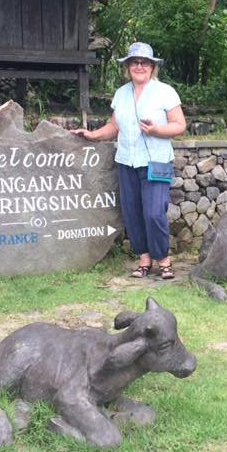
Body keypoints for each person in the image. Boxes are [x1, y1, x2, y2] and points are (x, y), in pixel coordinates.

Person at [71, 42, 186, 279]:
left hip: (156, 161)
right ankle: (144, 259)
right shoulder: (121, 94)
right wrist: (92, 135)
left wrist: (157, 131)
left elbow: (179, 125)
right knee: (133, 212)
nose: (139, 66)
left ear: (152, 66)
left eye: (144, 62)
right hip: (127, 161)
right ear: (128, 67)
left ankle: (163, 259)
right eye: (135, 62)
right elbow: (114, 126)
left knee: (154, 213)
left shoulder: (165, 91)